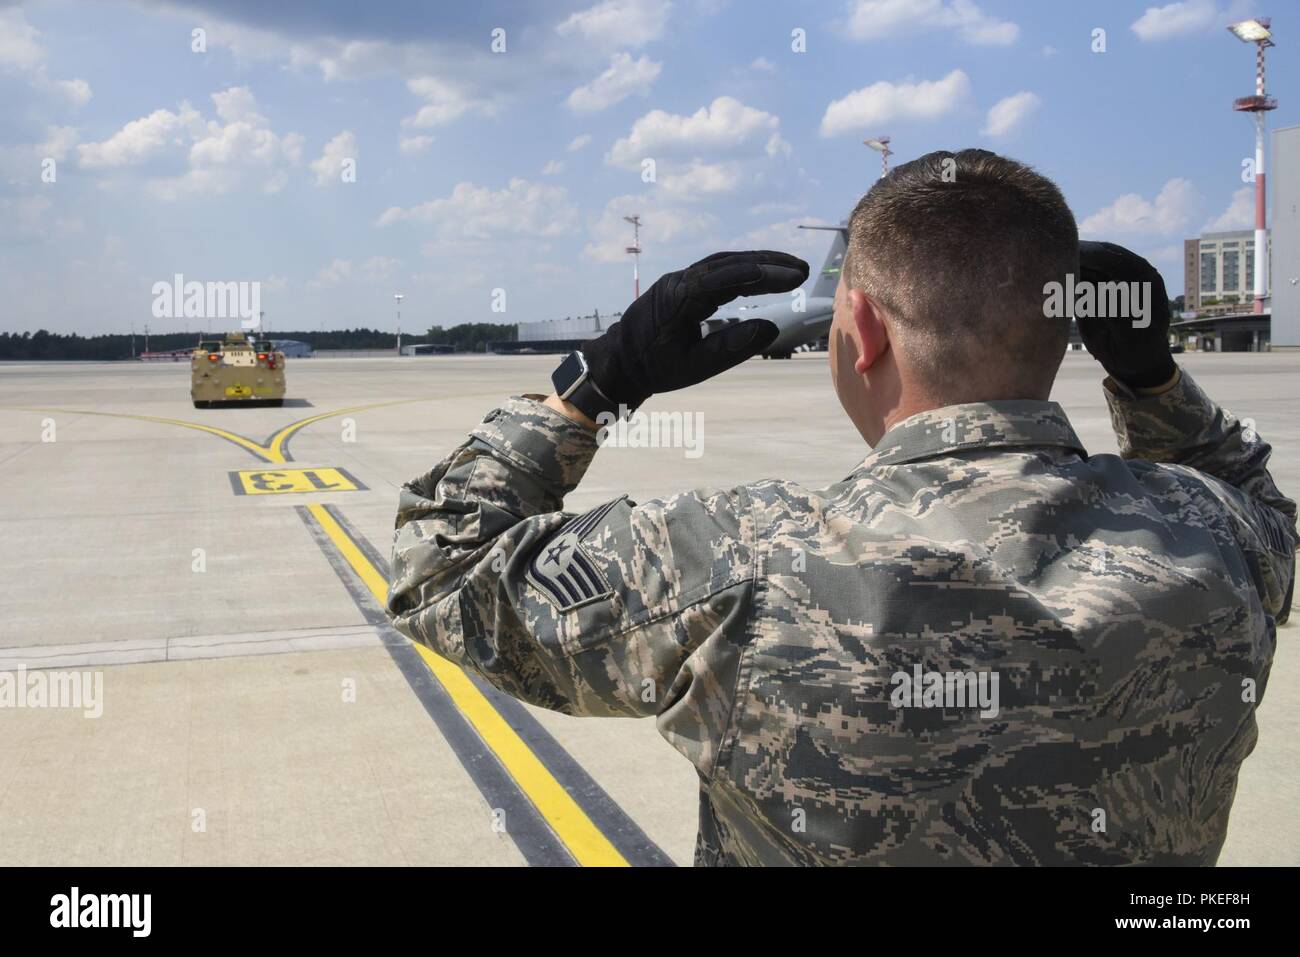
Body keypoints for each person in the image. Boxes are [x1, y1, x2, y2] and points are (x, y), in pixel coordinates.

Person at [386, 149, 1295, 865]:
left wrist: (594, 384)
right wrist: (1154, 378)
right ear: (1068, 329)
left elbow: (439, 568)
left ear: (859, 331)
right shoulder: (1211, 542)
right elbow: (1264, 512)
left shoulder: (735, 565)